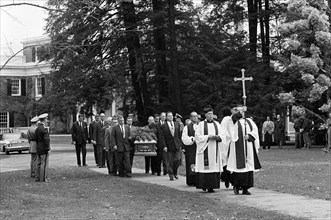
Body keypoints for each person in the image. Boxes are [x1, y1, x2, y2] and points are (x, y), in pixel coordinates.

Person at [225, 106, 261, 195]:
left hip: (248, 148)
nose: (241, 112)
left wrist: (249, 136)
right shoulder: (232, 121)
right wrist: (240, 113)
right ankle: (236, 186)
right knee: (238, 168)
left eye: (242, 111)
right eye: (238, 111)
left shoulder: (249, 121)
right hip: (237, 148)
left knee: (248, 167)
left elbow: (255, 131)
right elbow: (231, 129)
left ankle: (246, 188)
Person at [195, 105, 225, 193]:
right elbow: (197, 136)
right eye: (208, 114)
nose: (210, 115)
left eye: (211, 114)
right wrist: (208, 137)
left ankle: (212, 186)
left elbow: (223, 135)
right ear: (205, 115)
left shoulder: (217, 124)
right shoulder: (200, 125)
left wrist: (218, 137)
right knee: (205, 167)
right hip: (205, 148)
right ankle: (204, 185)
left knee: (213, 167)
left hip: (214, 149)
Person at [159, 112, 182, 181]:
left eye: (171, 116)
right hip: (169, 146)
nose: (170, 117)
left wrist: (181, 144)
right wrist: (164, 146)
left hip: (177, 145)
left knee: (177, 159)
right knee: (170, 161)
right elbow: (162, 137)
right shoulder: (163, 126)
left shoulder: (176, 124)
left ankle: (175, 171)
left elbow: (179, 135)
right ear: (166, 117)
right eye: (169, 116)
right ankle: (171, 174)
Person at [181, 111, 199, 186]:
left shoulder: (200, 126)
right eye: (194, 116)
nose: (195, 118)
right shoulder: (187, 127)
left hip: (199, 148)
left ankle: (198, 179)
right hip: (191, 148)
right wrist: (192, 139)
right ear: (190, 118)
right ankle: (191, 181)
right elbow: (184, 138)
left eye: (196, 116)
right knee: (191, 163)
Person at [219, 106, 233, 188]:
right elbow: (224, 131)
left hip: (228, 143)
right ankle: (227, 179)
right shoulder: (227, 119)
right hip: (228, 143)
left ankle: (227, 179)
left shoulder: (225, 119)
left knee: (227, 162)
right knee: (228, 162)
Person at [35, 113, 50, 182]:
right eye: (46, 119)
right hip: (43, 148)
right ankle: (43, 178)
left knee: (38, 163)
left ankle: (37, 177)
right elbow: (46, 140)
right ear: (44, 120)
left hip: (38, 147)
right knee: (43, 164)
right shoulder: (44, 129)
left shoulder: (37, 129)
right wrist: (48, 148)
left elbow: (37, 139)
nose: (47, 120)